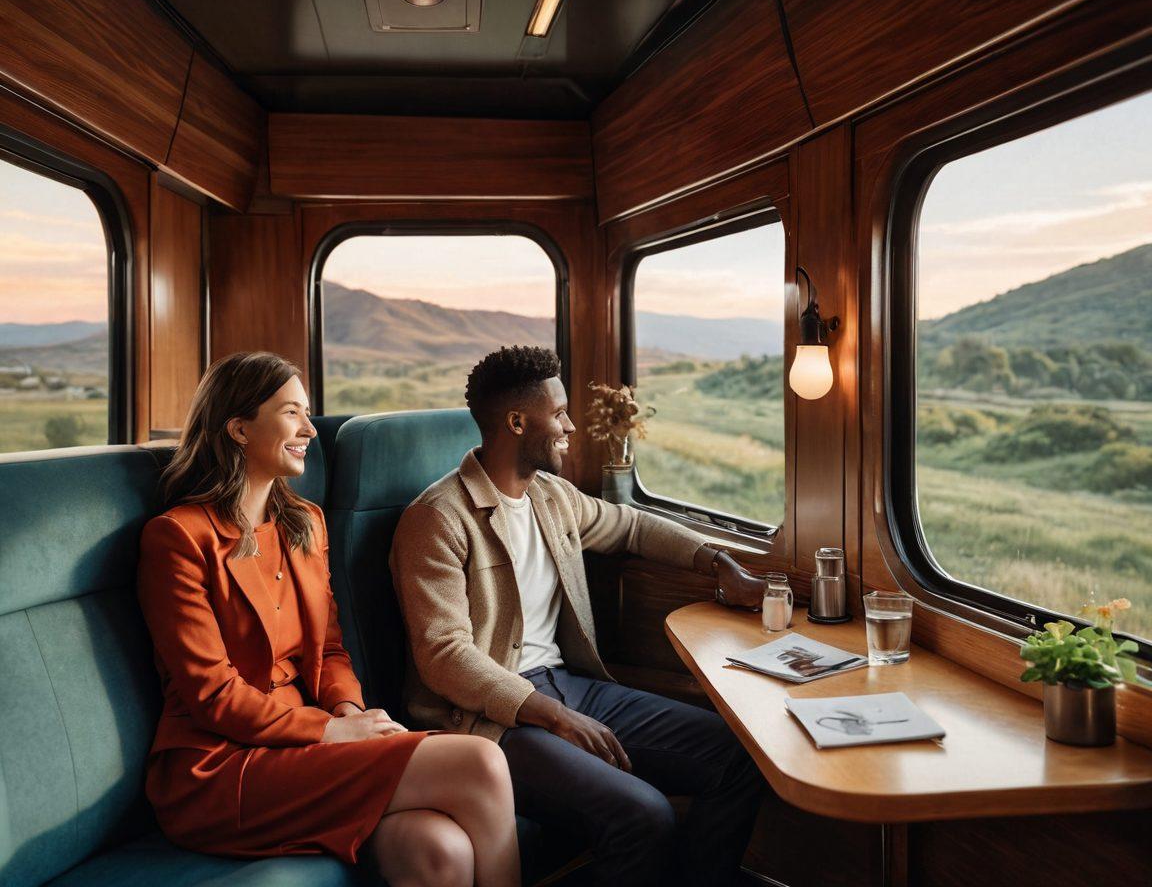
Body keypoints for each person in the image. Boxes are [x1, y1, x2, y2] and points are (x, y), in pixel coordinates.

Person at [137, 351, 520, 887]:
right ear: (239, 428)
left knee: (439, 849)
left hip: (302, 747)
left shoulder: (306, 523)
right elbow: (210, 693)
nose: (309, 430)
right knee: (480, 763)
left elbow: (331, 650)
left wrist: (351, 712)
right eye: (291, 412)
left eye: (308, 412)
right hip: (220, 769)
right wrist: (332, 731)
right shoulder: (178, 538)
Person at [390, 346, 766, 887]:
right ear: (517, 422)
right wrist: (551, 714)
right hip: (487, 722)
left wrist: (718, 561)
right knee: (643, 814)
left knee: (736, 756)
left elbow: (630, 525)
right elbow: (444, 657)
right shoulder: (437, 518)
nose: (570, 426)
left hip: (570, 686)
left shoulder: (551, 496)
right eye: (559, 413)